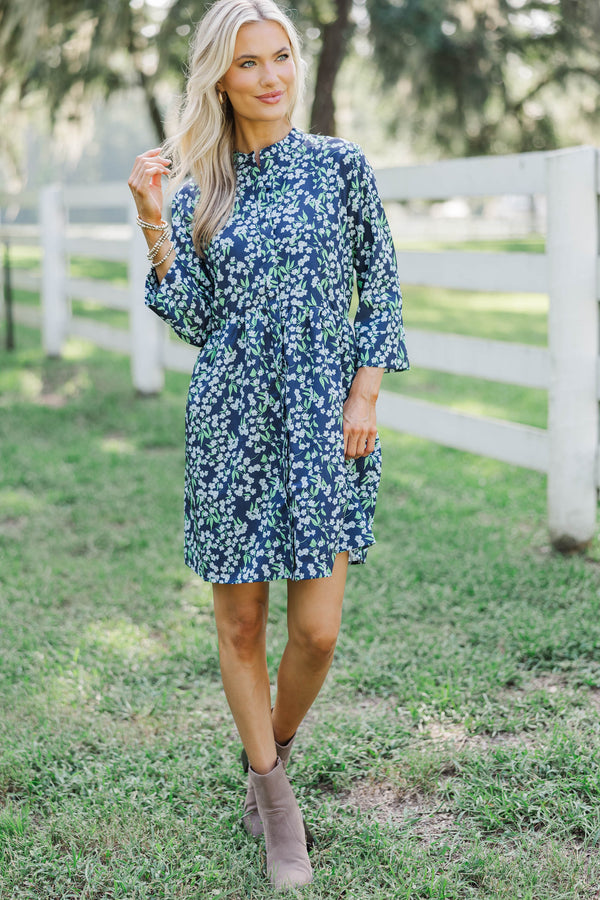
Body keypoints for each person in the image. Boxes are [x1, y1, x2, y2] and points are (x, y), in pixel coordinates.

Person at [128, 0, 408, 889]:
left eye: (280, 55)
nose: (271, 75)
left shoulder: (340, 167)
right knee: (241, 623)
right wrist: (154, 220)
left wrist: (364, 393)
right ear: (220, 78)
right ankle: (277, 807)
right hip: (231, 426)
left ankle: (271, 752)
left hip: (323, 422)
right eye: (248, 62)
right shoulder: (201, 190)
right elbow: (196, 320)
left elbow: (383, 290)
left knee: (316, 633)